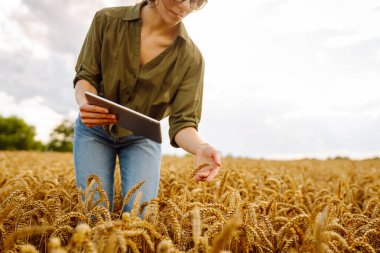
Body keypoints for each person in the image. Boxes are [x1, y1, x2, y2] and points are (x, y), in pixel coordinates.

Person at [73, 0, 221, 212]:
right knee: (93, 213)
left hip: (142, 138)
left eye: (195, 1)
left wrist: (200, 147)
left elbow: (183, 123)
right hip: (93, 131)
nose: (186, 6)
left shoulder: (191, 59)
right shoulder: (107, 20)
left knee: (139, 216)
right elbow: (86, 76)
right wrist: (84, 100)